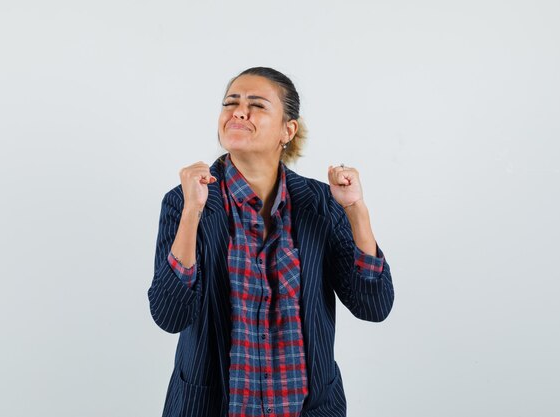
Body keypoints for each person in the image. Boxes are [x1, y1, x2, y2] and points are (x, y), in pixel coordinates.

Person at [148, 67, 394, 417]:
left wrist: (355, 210)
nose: (239, 111)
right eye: (230, 102)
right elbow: (169, 315)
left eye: (257, 105)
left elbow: (374, 306)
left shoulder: (321, 203)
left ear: (287, 130)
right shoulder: (184, 201)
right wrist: (193, 212)